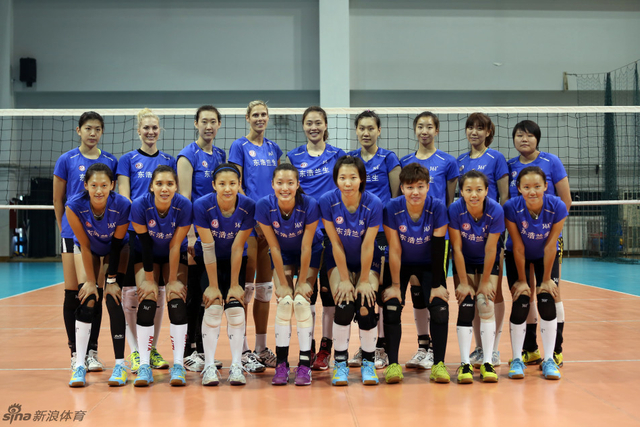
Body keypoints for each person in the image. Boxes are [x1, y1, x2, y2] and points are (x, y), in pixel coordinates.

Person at [54, 111, 118, 373]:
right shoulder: (66, 159)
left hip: (100, 234)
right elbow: (58, 199)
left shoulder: (110, 161)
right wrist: (64, 229)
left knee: (95, 291)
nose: (93, 133)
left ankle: (92, 351)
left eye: (97, 129)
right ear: (79, 130)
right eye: (88, 128)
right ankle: (75, 352)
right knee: (73, 292)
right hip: (73, 233)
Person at [507, 120, 572, 367]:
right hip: (520, 238)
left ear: (537, 138)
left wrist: (546, 227)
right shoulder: (509, 165)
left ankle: (555, 351)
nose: (524, 139)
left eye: (529, 135)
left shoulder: (551, 161)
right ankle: (530, 349)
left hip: (547, 238)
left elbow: (565, 200)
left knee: (551, 291)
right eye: (519, 135)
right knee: (526, 293)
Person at [117, 108, 176, 373]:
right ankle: (135, 351)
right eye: (146, 128)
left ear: (159, 131)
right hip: (136, 232)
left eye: (154, 128)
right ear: (138, 130)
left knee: (159, 293)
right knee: (132, 293)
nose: (150, 132)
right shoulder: (127, 160)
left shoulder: (168, 160)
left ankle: (150, 349)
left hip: (163, 234)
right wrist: (143, 221)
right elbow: (124, 197)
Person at [287, 106, 346, 371]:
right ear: (303, 126)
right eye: (309, 123)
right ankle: (307, 346)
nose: (314, 127)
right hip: (305, 234)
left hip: (332, 232)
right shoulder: (293, 156)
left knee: (330, 294)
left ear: (325, 125)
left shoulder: (338, 155)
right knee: (307, 293)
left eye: (318, 122)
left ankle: (325, 348)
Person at [399, 111, 458, 370]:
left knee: (434, 290)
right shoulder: (405, 161)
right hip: (410, 236)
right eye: (420, 126)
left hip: (435, 235)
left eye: (429, 126)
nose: (425, 131)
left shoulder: (448, 161)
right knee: (416, 292)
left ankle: (435, 350)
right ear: (415, 130)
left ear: (437, 130)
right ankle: (423, 346)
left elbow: (449, 200)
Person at [381, 163, 450, 384]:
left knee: (439, 307)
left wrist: (437, 285)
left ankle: (439, 364)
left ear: (428, 186)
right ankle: (393, 364)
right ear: (402, 188)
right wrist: (394, 285)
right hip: (400, 263)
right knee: (391, 306)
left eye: (420, 186)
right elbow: (394, 248)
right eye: (410, 187)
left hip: (429, 263)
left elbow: (438, 248)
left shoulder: (437, 207)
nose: (415, 192)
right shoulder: (392, 208)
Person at [255, 164, 323, 386]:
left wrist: (301, 282)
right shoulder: (264, 206)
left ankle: (304, 365)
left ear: (297, 184)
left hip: (310, 250)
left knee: (302, 301)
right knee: (285, 301)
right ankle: (282, 364)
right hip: (282, 252)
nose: (285, 188)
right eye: (280, 183)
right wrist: (283, 284)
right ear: (272, 184)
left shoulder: (309, 205)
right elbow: (273, 247)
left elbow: (306, 246)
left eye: (290, 183)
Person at [319, 155, 383, 386]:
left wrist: (364, 280)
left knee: (366, 305)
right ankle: (340, 364)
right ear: (336, 179)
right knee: (344, 304)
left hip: (368, 260)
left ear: (361, 179)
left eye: (353, 177)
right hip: (338, 261)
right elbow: (335, 242)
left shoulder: (373, 203)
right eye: (342, 177)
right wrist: (345, 280)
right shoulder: (327, 201)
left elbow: (368, 244)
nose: (347, 183)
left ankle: (368, 362)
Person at [228, 100, 283, 371]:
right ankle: (243, 349)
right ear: (247, 118)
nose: (260, 118)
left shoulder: (274, 148)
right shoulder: (239, 146)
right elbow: (236, 184)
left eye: (264, 114)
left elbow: (278, 185)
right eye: (256, 114)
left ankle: (261, 348)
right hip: (249, 223)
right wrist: (257, 217)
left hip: (269, 224)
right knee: (246, 288)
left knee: (264, 289)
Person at [66, 163, 130, 387]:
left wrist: (110, 280)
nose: (99, 190)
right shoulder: (74, 206)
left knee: (113, 299)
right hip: (89, 249)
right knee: (88, 299)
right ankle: (79, 365)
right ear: (85, 185)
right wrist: (92, 282)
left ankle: (120, 365)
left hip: (116, 249)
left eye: (104, 185)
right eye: (94, 185)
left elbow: (117, 244)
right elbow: (84, 245)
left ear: (112, 185)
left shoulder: (122, 205)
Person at [129, 165, 192, 387]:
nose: (164, 188)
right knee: (147, 299)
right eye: (159, 184)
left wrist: (172, 280)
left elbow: (175, 244)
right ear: (151, 186)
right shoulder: (140, 205)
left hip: (173, 252)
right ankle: (144, 366)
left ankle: (178, 365)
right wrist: (149, 280)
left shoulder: (184, 205)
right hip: (146, 254)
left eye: (170, 184)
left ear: (176, 186)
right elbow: (145, 243)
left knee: (177, 300)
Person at [347, 110, 400, 370]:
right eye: (362, 128)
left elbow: (396, 197)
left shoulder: (389, 158)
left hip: (381, 232)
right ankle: (366, 346)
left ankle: (381, 346)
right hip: (355, 231)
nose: (366, 133)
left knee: (378, 289)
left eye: (371, 128)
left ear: (379, 131)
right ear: (356, 131)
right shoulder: (350, 159)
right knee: (361, 289)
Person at [193, 163, 255, 386]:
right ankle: (209, 366)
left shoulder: (248, 206)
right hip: (208, 259)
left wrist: (235, 284)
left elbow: (238, 247)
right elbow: (208, 247)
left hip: (235, 259)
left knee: (236, 308)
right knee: (213, 306)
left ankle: (237, 365)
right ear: (213, 185)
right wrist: (213, 285)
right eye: (222, 184)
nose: (227, 188)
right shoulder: (202, 205)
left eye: (232, 183)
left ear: (239, 184)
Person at [503, 166, 567, 380]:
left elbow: (551, 245)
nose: (532, 191)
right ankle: (517, 359)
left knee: (547, 300)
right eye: (527, 187)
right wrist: (522, 281)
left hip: (544, 255)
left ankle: (549, 359)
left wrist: (546, 279)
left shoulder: (557, 206)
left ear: (546, 186)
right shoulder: (511, 207)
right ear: (519, 188)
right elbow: (518, 246)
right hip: (517, 254)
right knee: (521, 300)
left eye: (537, 186)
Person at [456, 113, 509, 369]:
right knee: (471, 294)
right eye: (470, 127)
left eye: (480, 128)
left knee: (491, 293)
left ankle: (494, 349)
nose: (474, 131)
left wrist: (500, 227)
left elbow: (505, 195)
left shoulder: (496, 158)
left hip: (491, 229)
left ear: (489, 132)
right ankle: (479, 347)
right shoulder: (460, 161)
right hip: (467, 232)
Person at [177, 105, 226, 372]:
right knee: (193, 293)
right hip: (196, 233)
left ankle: (202, 349)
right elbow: (185, 197)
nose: (208, 126)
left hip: (214, 234)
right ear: (196, 124)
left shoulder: (220, 155)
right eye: (204, 121)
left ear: (219, 125)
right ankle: (188, 350)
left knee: (207, 291)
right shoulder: (187, 155)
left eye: (213, 121)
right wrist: (190, 235)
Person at [449, 170, 505, 383]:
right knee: (466, 304)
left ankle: (488, 360)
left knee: (485, 303)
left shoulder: (495, 210)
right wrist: (464, 283)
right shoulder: (455, 209)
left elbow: (491, 250)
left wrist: (485, 282)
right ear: (461, 192)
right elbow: (456, 248)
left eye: (479, 190)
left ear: (487, 191)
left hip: (486, 261)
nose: (474, 194)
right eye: (469, 190)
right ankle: (465, 363)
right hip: (464, 260)